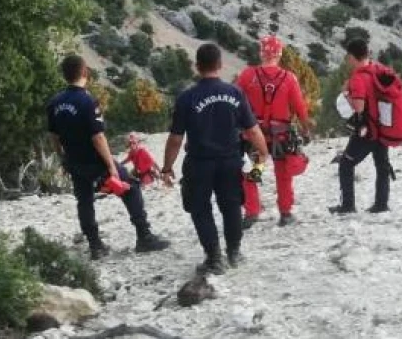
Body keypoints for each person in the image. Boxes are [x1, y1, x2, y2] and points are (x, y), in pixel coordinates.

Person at [46, 55, 170, 260]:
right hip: (95, 161)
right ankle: (144, 236)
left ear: (65, 75)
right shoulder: (87, 101)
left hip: (74, 162)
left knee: (84, 200)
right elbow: (98, 137)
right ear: (84, 71)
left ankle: (96, 246)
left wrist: (63, 158)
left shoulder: (54, 103)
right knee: (131, 188)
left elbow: (54, 136)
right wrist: (111, 166)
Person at [161, 44, 269, 275]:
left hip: (199, 163)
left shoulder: (186, 98)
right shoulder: (235, 93)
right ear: (220, 65)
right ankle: (234, 252)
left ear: (197, 66)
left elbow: (175, 138)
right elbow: (252, 129)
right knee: (231, 207)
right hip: (230, 160)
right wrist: (264, 152)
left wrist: (167, 167)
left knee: (200, 210)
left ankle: (214, 257)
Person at [236, 35, 313, 228]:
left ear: (261, 53)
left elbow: (234, 102)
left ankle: (252, 212)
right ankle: (285, 213)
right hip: (281, 136)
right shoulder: (289, 78)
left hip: (255, 135)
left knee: (252, 172)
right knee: (283, 174)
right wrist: (306, 130)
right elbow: (300, 107)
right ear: (279, 54)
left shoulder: (247, 75)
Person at [329, 39, 395, 215]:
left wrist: (345, 93)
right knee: (382, 165)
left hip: (366, 130)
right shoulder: (378, 71)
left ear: (352, 56)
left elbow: (359, 107)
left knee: (346, 163)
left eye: (348, 56)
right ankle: (381, 204)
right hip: (383, 127)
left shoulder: (358, 77)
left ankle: (347, 205)